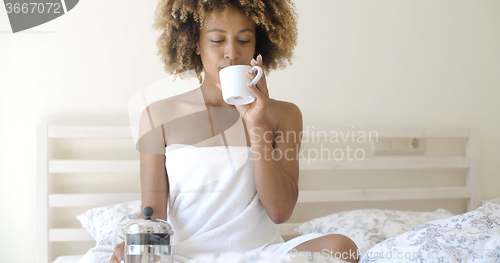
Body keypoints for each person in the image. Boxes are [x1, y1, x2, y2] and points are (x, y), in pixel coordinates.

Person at [111, 0, 358, 262]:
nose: (231, 52)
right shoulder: (157, 115)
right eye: (217, 40)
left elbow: (280, 212)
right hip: (187, 255)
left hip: (261, 252)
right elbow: (153, 214)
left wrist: (256, 123)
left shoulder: (284, 115)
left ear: (256, 46)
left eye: (243, 40)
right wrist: (134, 244)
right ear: (195, 42)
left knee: (343, 247)